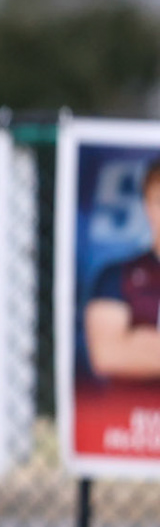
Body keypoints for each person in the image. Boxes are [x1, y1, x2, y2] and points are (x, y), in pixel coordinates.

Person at [83, 158, 160, 382]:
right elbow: (107, 356)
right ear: (146, 205)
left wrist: (143, 342)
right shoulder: (116, 276)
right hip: (134, 415)